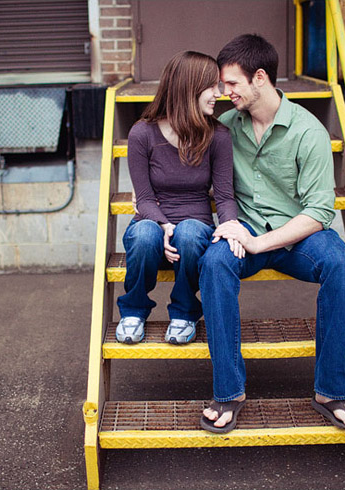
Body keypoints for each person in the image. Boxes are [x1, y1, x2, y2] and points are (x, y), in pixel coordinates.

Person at [198, 34, 345, 433]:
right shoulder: (225, 127)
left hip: (299, 235)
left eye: (232, 84)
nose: (225, 92)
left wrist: (259, 242)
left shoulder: (307, 132)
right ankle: (229, 392)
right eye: (223, 86)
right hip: (244, 230)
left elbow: (319, 211)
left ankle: (332, 390)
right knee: (214, 264)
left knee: (343, 264)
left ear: (260, 78)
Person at [116, 51, 241, 345]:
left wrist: (231, 226)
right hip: (151, 221)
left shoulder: (218, 136)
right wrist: (162, 225)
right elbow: (144, 198)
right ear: (189, 89)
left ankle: (184, 313)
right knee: (144, 234)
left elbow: (223, 196)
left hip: (194, 228)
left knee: (189, 233)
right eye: (211, 87)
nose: (218, 94)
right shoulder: (142, 134)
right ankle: (133, 310)